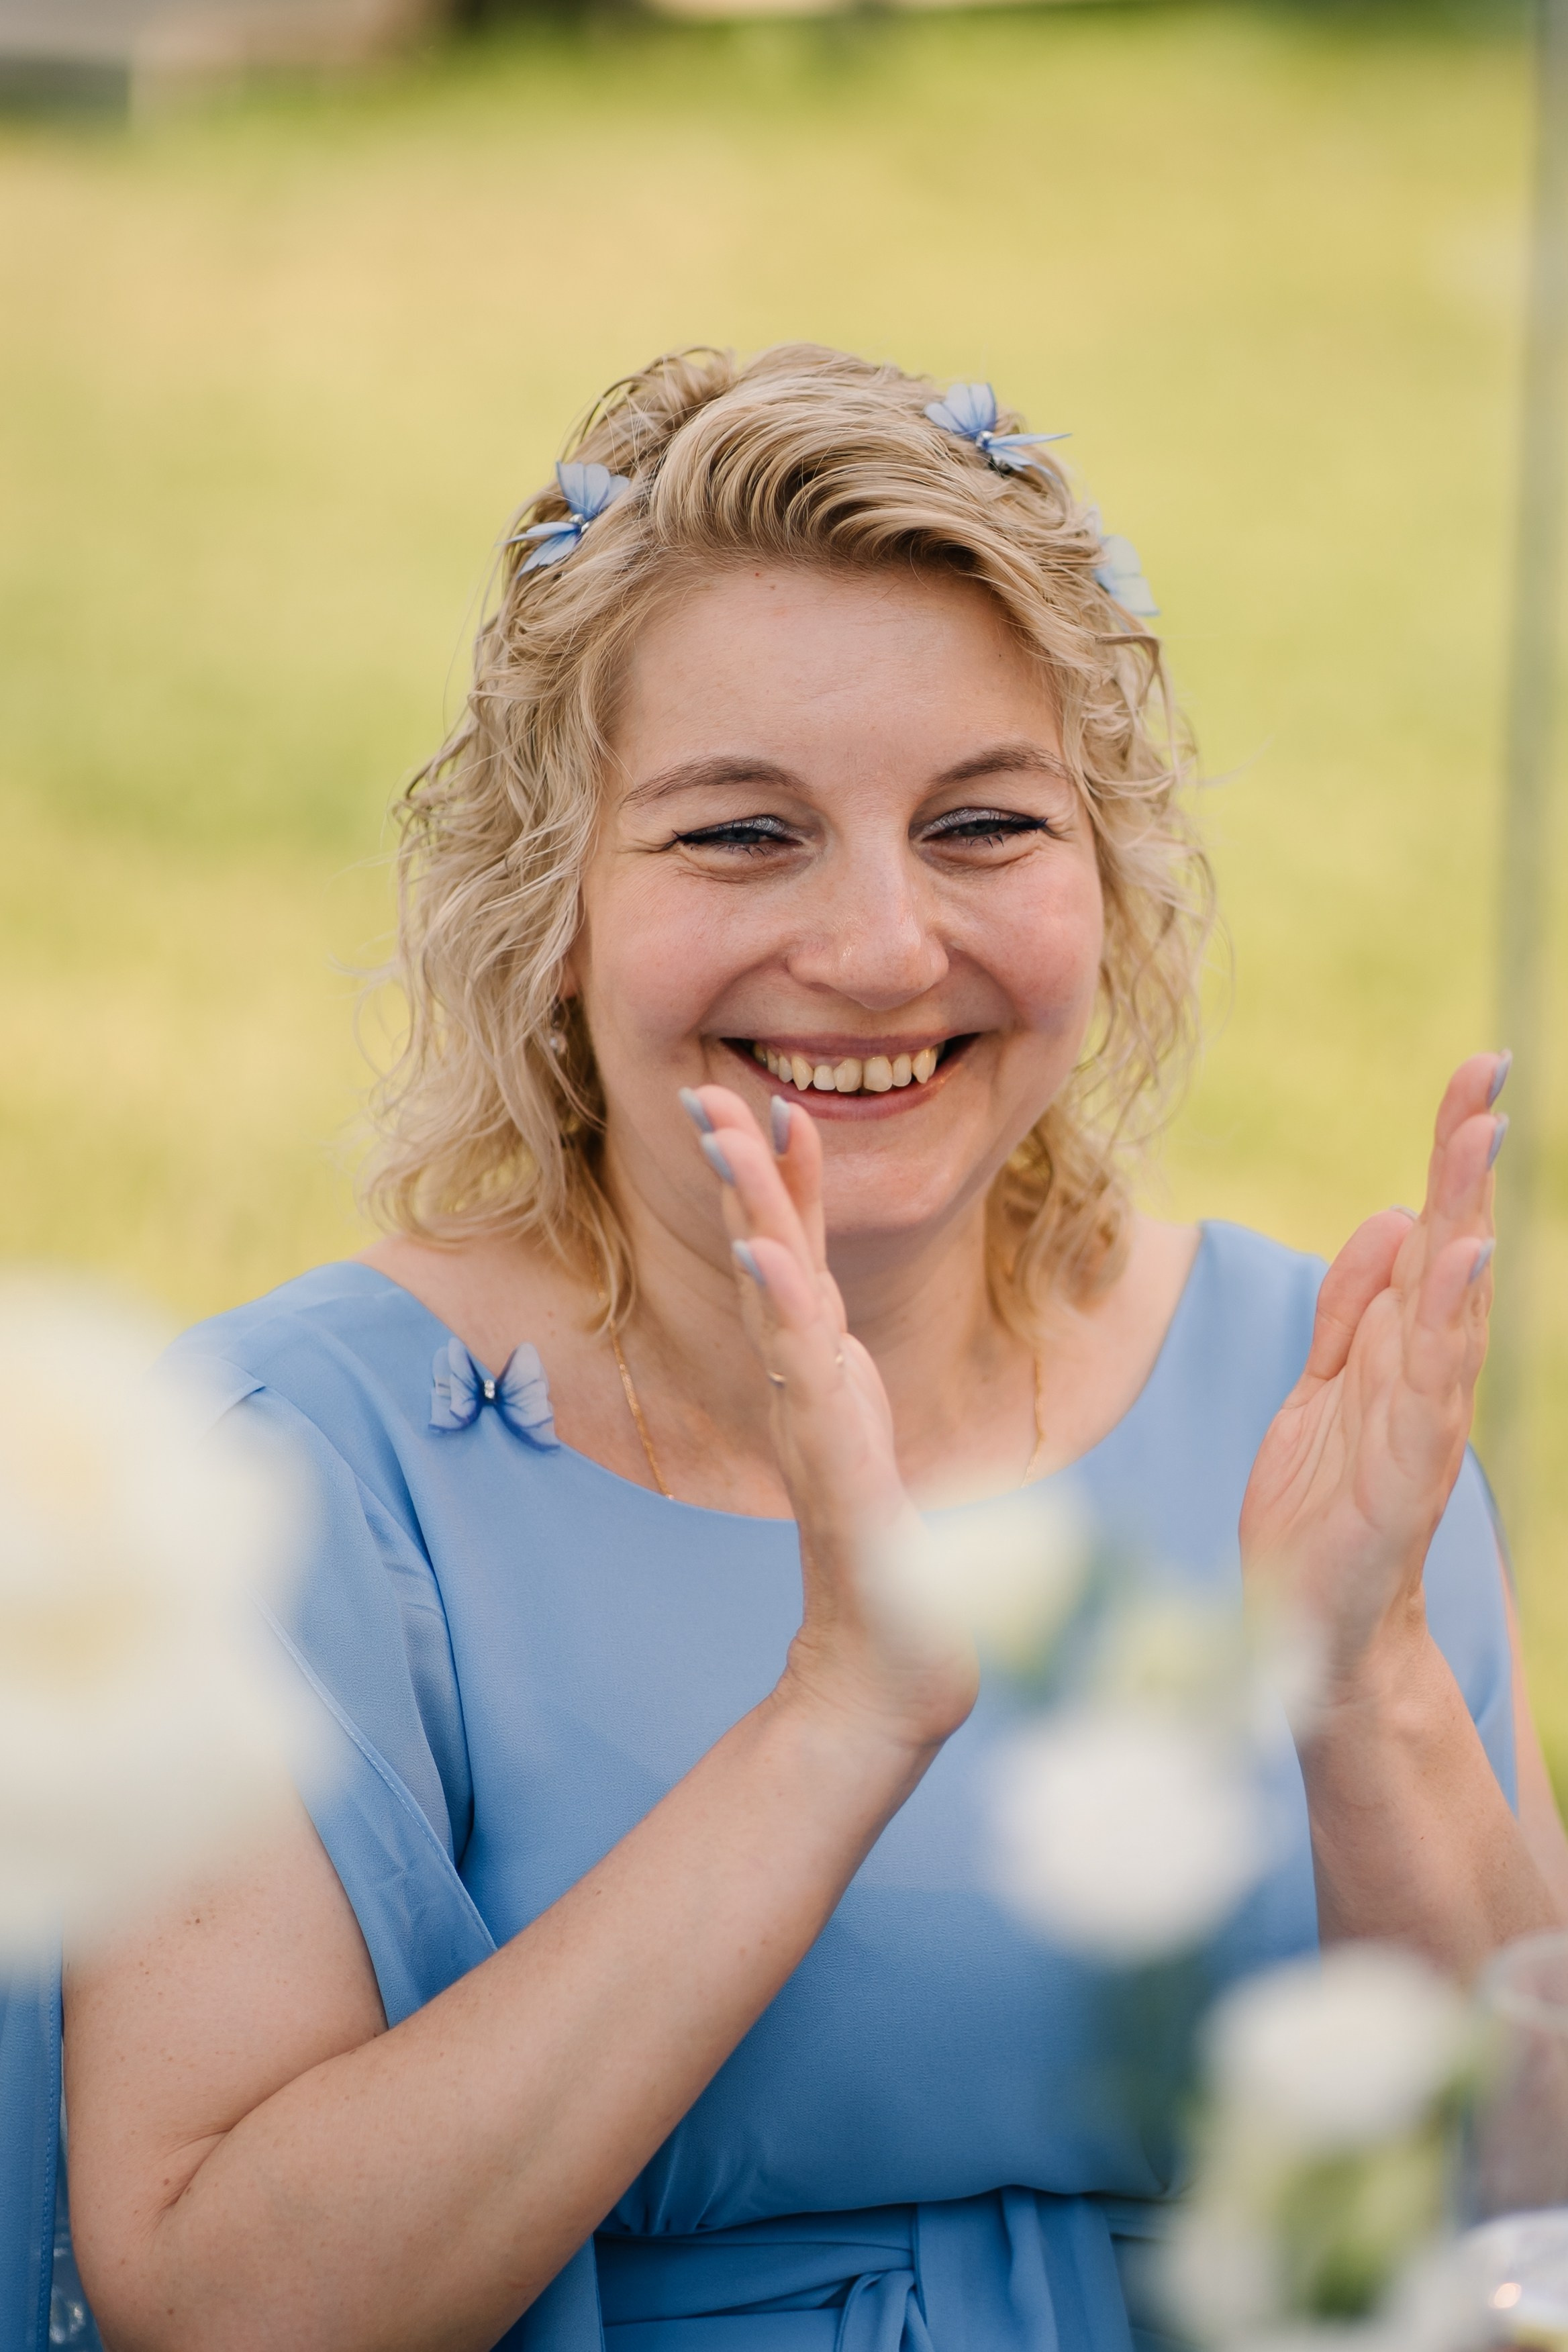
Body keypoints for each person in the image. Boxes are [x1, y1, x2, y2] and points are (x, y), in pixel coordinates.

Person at [48, 344, 1568, 2352]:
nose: (875, 949)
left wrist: (1372, 1689)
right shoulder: (292, 1470)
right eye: (741, 835)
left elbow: (1519, 2200)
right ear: (547, 905)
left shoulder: (1312, 1391)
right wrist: (837, 1722)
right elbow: (224, 2304)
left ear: (1104, 879)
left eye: (983, 825)